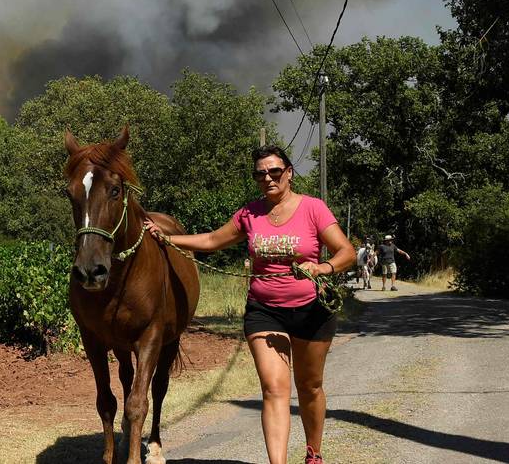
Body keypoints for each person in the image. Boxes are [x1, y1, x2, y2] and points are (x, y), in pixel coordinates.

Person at [143, 145, 355, 464]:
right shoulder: (250, 213)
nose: (268, 178)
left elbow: (346, 252)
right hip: (264, 310)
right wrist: (169, 239)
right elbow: (214, 240)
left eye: (274, 171)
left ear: (289, 173)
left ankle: (313, 453)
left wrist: (323, 267)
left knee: (310, 387)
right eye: (260, 173)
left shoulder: (313, 209)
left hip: (312, 310)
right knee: (273, 389)